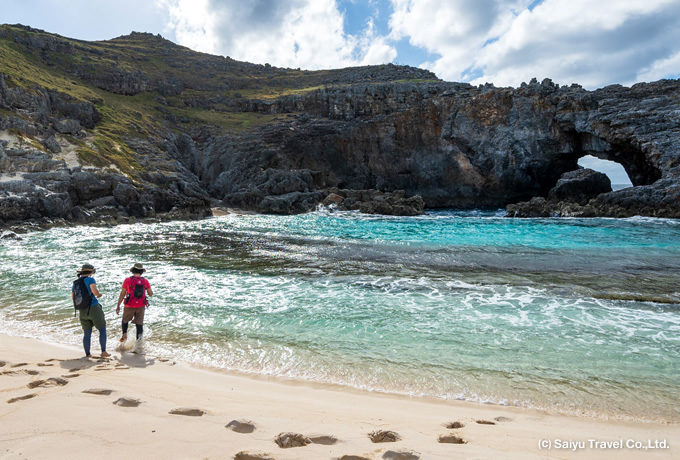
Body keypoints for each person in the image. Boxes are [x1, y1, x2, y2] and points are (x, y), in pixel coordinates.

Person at [72, 263, 110, 358]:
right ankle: (103, 352)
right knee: (102, 329)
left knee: (87, 333)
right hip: (93, 308)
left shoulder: (76, 282)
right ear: (91, 272)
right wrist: (98, 294)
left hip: (82, 310)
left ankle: (88, 354)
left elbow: (73, 297)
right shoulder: (91, 279)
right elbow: (94, 290)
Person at [116, 263, 153, 344]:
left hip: (129, 305)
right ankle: (138, 345)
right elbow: (150, 294)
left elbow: (123, 293)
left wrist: (118, 305)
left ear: (133, 271)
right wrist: (146, 288)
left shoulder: (127, 280)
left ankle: (124, 333)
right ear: (141, 272)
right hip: (141, 305)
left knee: (125, 320)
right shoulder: (145, 281)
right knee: (139, 325)